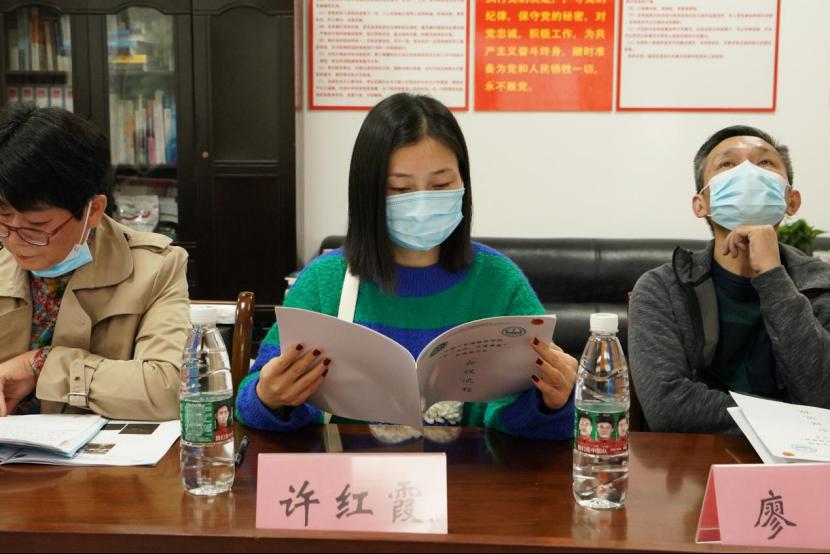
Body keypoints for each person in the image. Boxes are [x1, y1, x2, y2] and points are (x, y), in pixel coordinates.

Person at [236, 93, 577, 439]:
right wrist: (270, 397)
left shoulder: (499, 282)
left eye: (441, 184)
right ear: (367, 193)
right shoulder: (325, 282)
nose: (422, 204)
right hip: (350, 472)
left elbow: (536, 423)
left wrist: (555, 402)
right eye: (400, 189)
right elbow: (251, 402)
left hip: (469, 472)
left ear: (463, 182)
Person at [629, 125, 830, 433]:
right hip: (692, 459)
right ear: (701, 204)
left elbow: (823, 396)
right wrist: (793, 418)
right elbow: (668, 407)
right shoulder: (662, 288)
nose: (748, 172)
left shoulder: (822, 285)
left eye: (764, 162)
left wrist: (772, 276)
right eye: (727, 163)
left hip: (801, 461)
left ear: (791, 201)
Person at [0, 105, 189, 420]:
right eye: (4, 221)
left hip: (98, 451)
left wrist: (44, 364)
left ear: (94, 210)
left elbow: (169, 389)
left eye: (37, 227)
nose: (16, 241)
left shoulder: (155, 268)